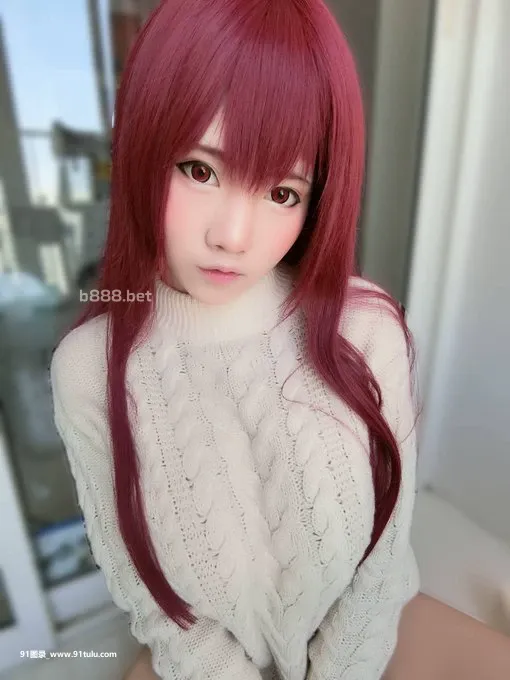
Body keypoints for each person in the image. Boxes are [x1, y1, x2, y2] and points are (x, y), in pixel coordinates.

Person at [49, 0, 420, 678]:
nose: (233, 237)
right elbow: (154, 605)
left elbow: (384, 564)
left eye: (282, 193)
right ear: (142, 148)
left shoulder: (366, 329)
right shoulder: (90, 370)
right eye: (200, 169)